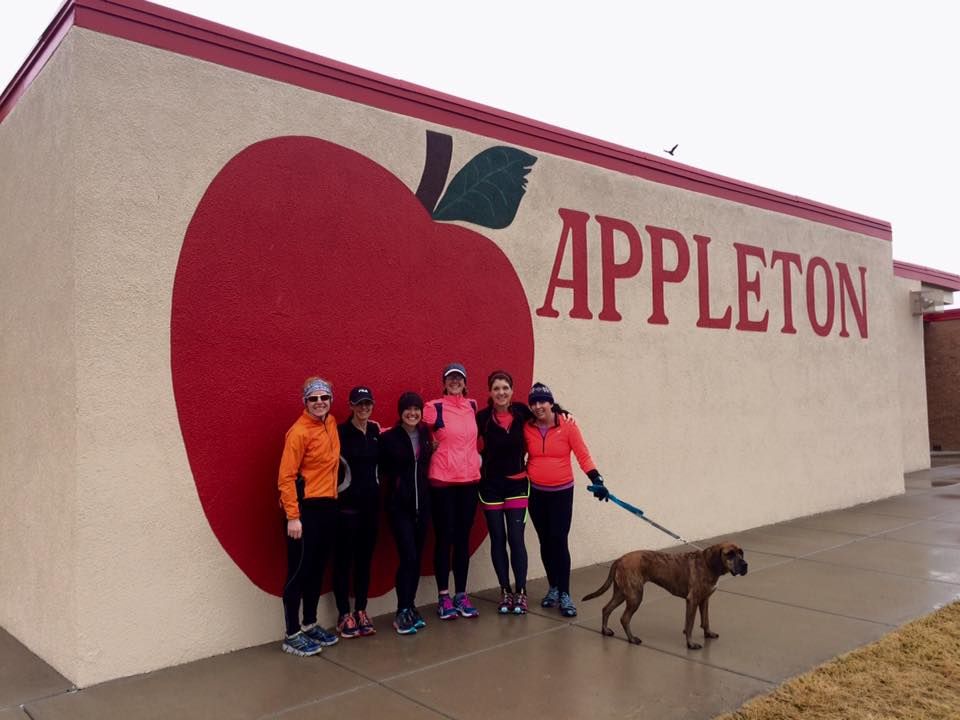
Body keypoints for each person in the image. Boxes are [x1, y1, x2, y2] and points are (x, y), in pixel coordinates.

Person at [524, 382, 606, 618]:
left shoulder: (567, 425)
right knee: (545, 541)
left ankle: (565, 593)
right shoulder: (527, 426)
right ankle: (553, 587)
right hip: (536, 493)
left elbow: (583, 454)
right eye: (534, 402)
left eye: (542, 401)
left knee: (559, 540)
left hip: (561, 493)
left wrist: (596, 478)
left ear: (551, 402)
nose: (538, 406)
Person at [277, 377, 342, 656]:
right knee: (299, 572)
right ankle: (291, 633)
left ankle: (309, 622)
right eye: (313, 398)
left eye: (324, 398)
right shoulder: (298, 432)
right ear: (305, 401)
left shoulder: (331, 424)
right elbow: (286, 477)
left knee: (317, 569)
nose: (319, 403)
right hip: (304, 512)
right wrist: (293, 516)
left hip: (327, 506)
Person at [422, 363, 482, 619]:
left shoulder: (472, 406)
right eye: (450, 378)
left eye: (459, 378)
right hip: (443, 482)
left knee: (462, 540)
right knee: (444, 538)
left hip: (469, 482)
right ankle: (444, 597)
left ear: (465, 382)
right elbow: (408, 424)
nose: (455, 382)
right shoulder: (432, 407)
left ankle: (461, 594)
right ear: (444, 382)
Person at [475, 370, 530, 615]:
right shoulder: (482, 418)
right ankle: (505, 592)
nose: (501, 393)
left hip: (518, 484)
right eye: (496, 388)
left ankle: (521, 592)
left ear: (512, 390)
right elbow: (462, 439)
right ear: (490, 392)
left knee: (516, 539)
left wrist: (563, 415)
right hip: (491, 486)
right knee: (498, 539)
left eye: (505, 388)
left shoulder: (522, 413)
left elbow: (547, 416)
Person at [379, 391, 433, 634]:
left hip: (423, 507)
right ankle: (401, 610)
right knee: (408, 557)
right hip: (399, 508)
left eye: (416, 409)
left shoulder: (425, 435)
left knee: (416, 559)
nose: (412, 413)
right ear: (400, 412)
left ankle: (410, 606)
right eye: (407, 409)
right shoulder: (389, 438)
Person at [333, 386, 381, 638]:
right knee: (344, 562)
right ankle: (344, 614)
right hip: (347, 509)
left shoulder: (374, 431)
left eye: (368, 403)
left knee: (364, 561)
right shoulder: (340, 433)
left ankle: (361, 609)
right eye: (359, 404)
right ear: (350, 405)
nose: (364, 408)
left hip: (371, 509)